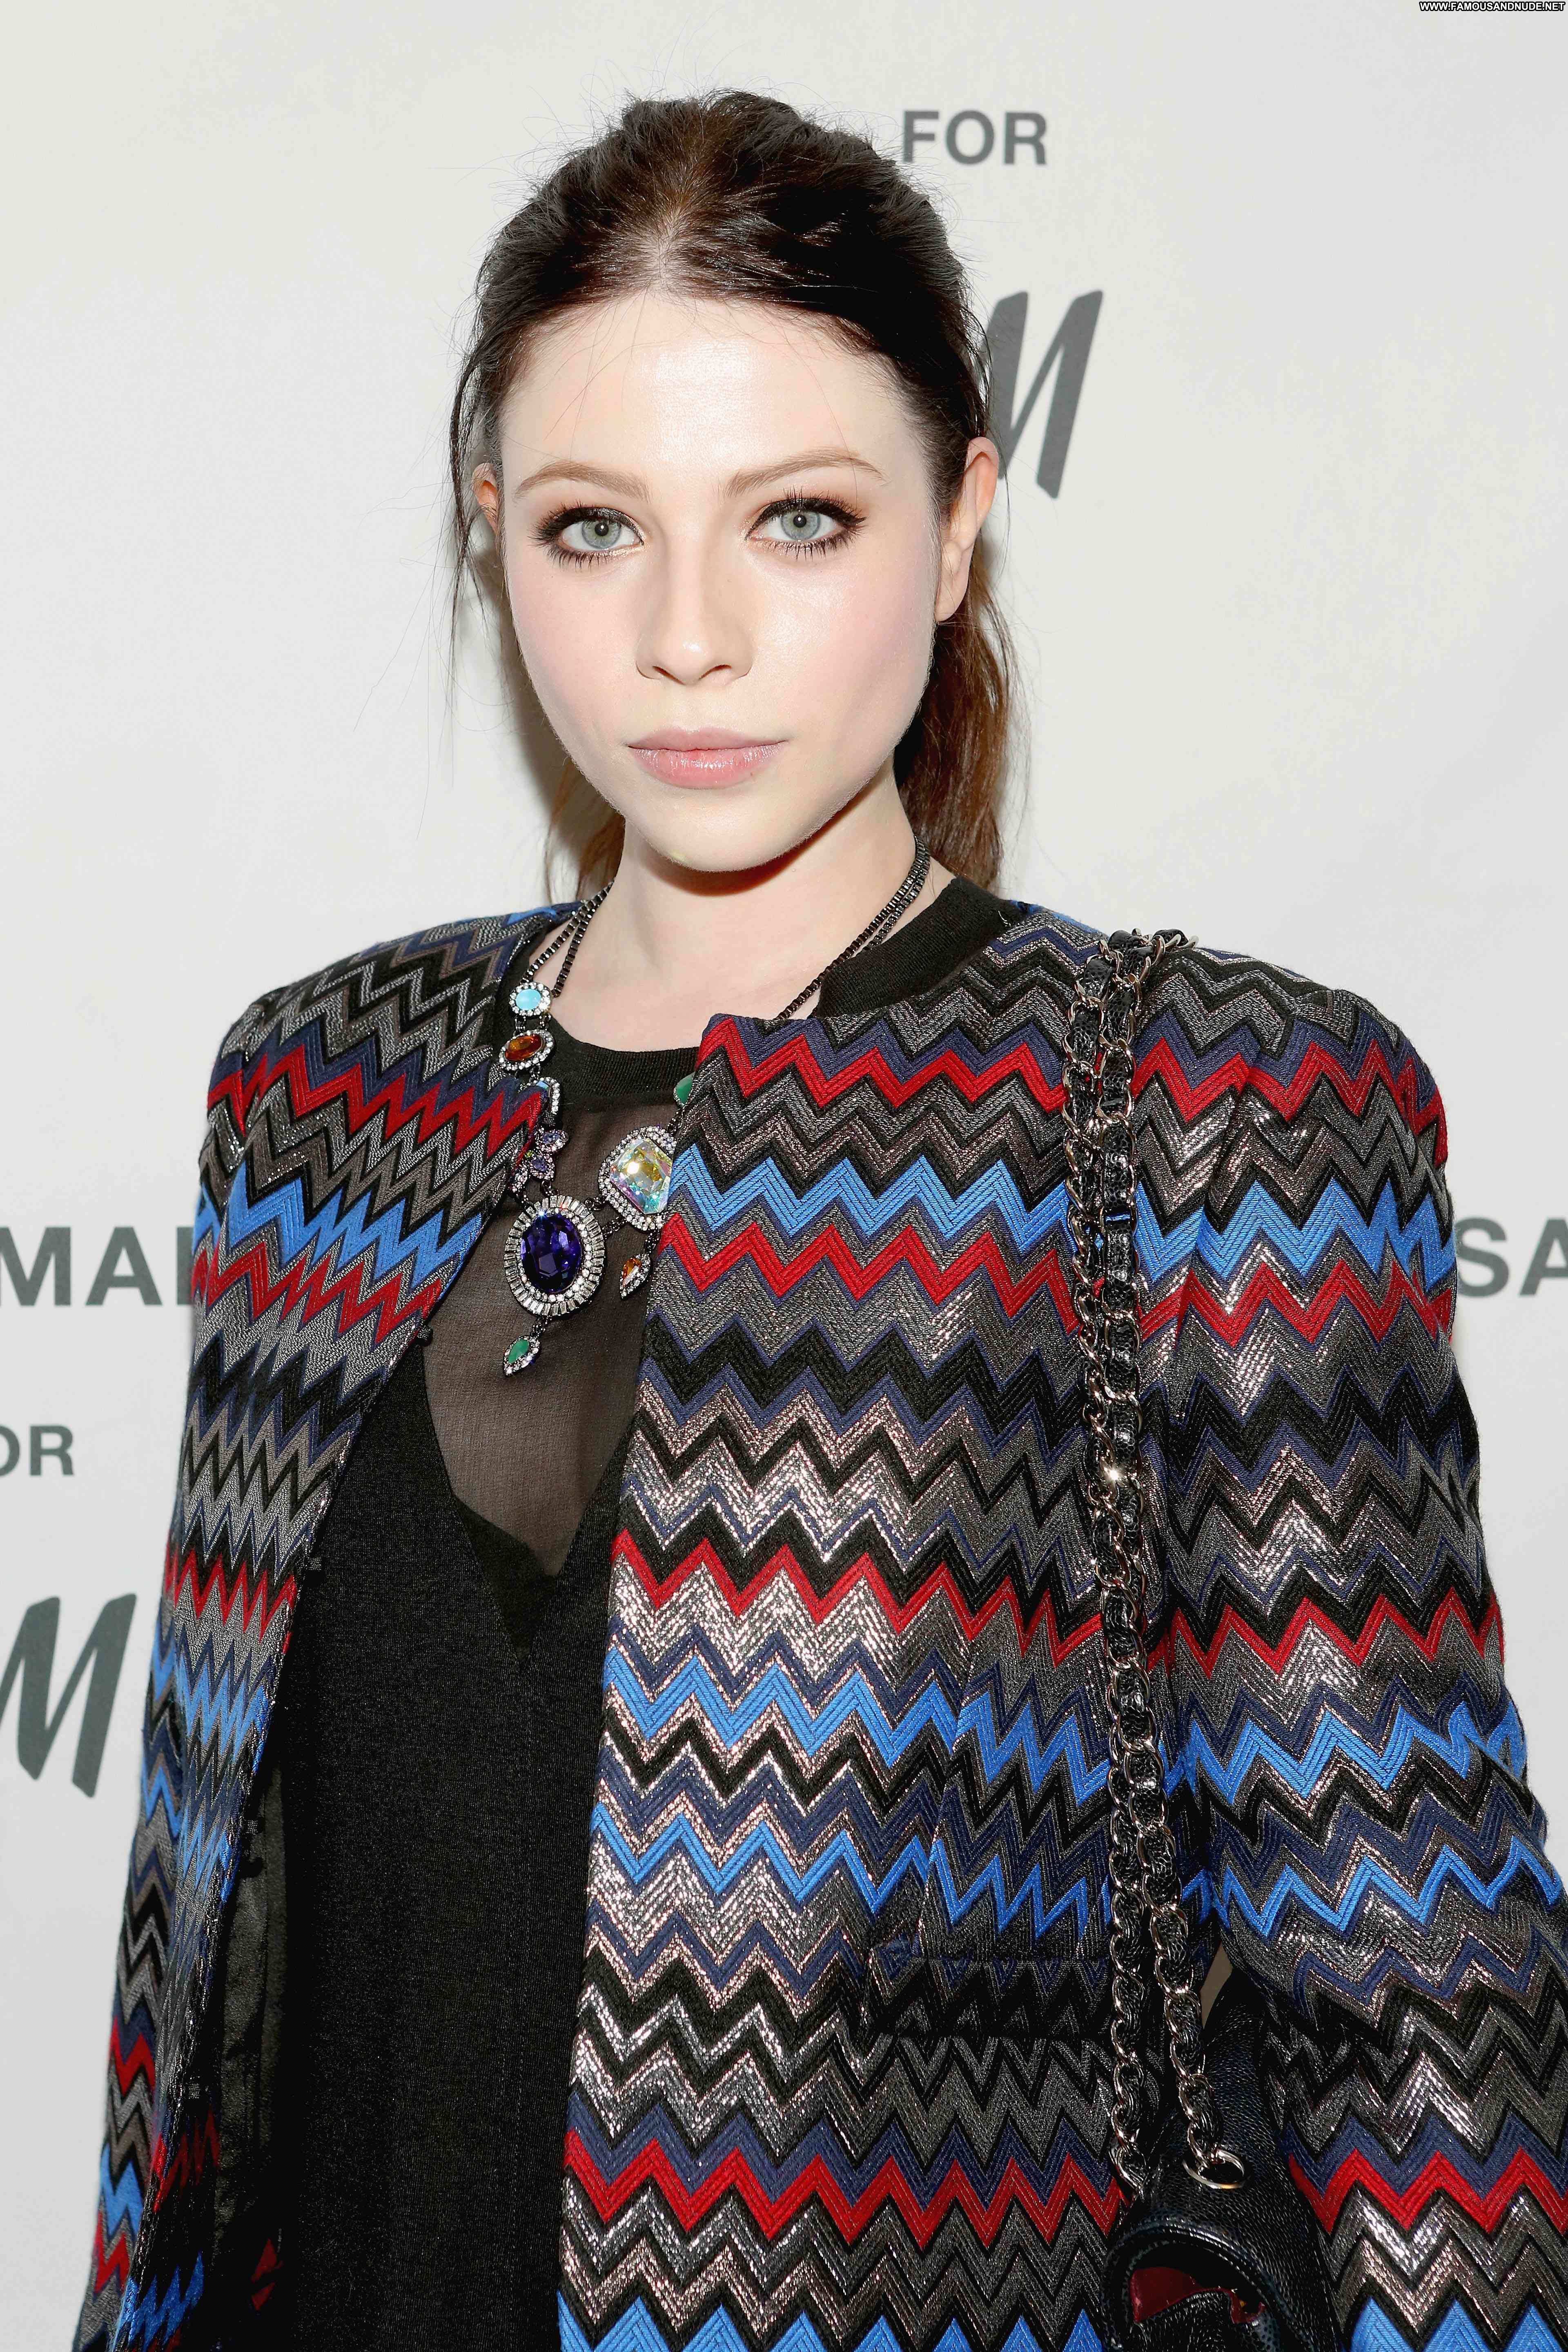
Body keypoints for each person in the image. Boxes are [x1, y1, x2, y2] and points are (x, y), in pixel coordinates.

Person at [74, 89, 1568, 2352]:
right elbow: (226, 1997)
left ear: (959, 524)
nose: (686, 637)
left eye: (798, 518)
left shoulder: (1204, 1108)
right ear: (492, 538)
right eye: (593, 528)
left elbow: (1426, 2034)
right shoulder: (320, 1093)